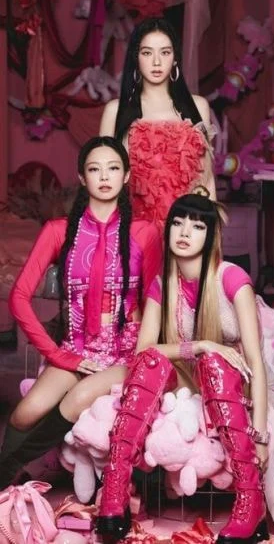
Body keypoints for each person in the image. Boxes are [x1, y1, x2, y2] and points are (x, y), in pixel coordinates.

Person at [96, 192, 274, 544]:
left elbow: (255, 361)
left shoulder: (231, 278)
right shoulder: (163, 284)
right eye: (178, 223)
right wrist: (200, 344)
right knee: (151, 361)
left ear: (211, 236)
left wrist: (261, 435)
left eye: (197, 226)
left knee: (214, 361)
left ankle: (251, 501)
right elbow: (144, 350)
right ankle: (115, 489)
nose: (184, 232)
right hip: (190, 376)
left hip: (235, 381)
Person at [0, 137, 162, 489]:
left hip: (125, 352)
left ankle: (3, 476)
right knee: (25, 413)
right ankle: (12, 484)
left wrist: (146, 354)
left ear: (126, 176)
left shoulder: (144, 232)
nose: (104, 176)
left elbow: (156, 302)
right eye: (94, 169)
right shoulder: (58, 231)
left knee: (77, 398)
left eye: (113, 168)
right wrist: (57, 355)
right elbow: (19, 298)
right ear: (82, 177)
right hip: (77, 349)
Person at [99, 17, 216, 228]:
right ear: (136, 58)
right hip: (133, 232)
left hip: (185, 232)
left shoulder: (198, 107)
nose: (156, 62)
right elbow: (103, 182)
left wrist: (212, 235)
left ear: (175, 58)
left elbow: (206, 180)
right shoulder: (115, 112)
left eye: (165, 52)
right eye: (147, 53)